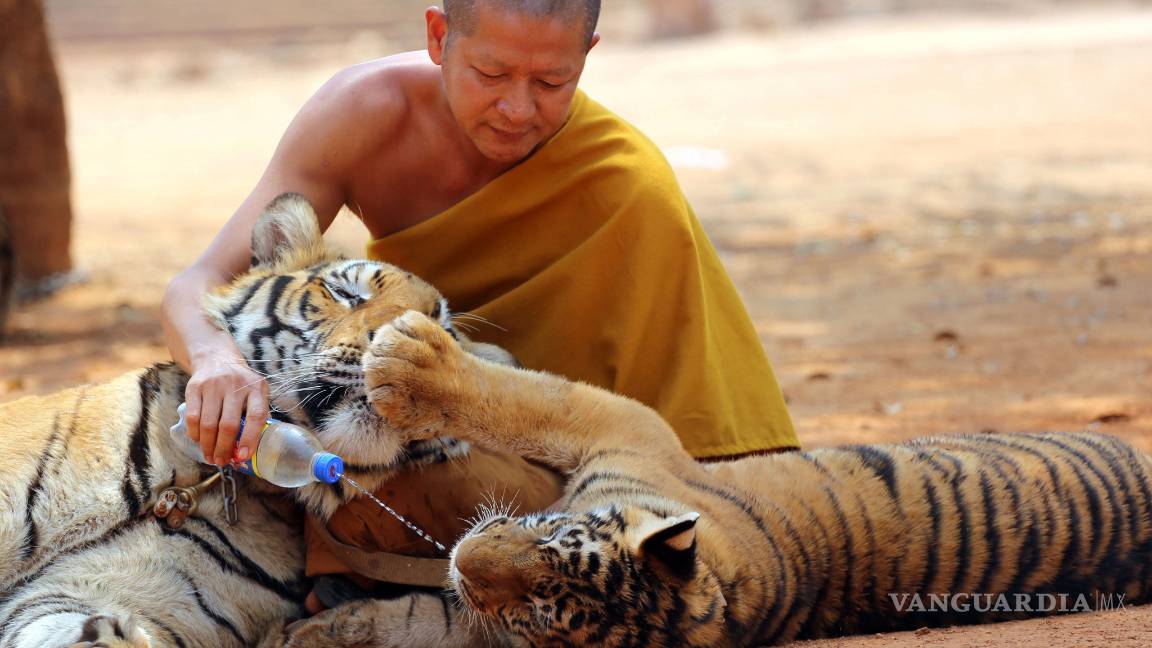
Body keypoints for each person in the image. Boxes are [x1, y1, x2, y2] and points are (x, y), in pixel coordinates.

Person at [161, 0, 798, 615]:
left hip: (557, 454)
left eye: (553, 81)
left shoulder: (630, 188)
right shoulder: (362, 114)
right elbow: (198, 281)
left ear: (587, 54)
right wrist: (217, 360)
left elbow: (690, 440)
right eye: (490, 74)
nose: (517, 109)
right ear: (439, 38)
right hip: (403, 398)